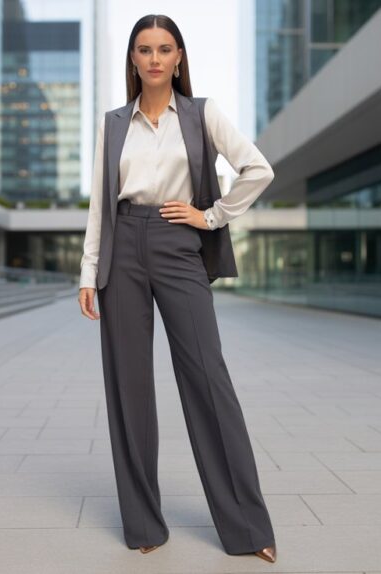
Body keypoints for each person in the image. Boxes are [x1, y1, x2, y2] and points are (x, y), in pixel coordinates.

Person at [77, 14, 277, 564]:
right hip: (123, 247)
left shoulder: (202, 113)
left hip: (177, 241)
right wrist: (88, 270)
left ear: (180, 57)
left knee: (207, 377)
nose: (156, 58)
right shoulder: (112, 123)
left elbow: (257, 169)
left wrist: (210, 217)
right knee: (129, 388)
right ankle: (143, 523)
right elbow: (101, 201)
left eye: (166, 49)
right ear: (134, 60)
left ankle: (246, 527)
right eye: (145, 49)